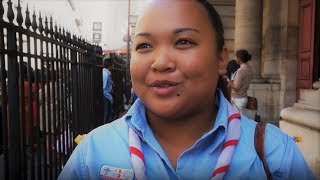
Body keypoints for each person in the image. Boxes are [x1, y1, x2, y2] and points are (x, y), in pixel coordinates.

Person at [58, 0, 314, 179]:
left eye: (183, 41)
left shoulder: (274, 153)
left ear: (221, 59)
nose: (160, 63)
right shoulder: (93, 153)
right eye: (144, 46)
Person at [227, 49, 253, 115]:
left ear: (239, 58)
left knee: (238, 122)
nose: (235, 59)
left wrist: (228, 81)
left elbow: (236, 88)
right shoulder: (249, 68)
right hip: (243, 98)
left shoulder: (240, 70)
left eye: (235, 57)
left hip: (237, 99)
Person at [102, 57, 113, 124]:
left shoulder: (106, 73)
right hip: (106, 96)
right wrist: (110, 98)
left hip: (106, 96)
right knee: (106, 113)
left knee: (107, 113)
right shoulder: (105, 74)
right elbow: (103, 89)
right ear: (110, 66)